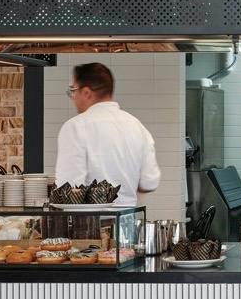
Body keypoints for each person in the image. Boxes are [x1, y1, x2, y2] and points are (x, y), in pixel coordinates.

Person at [53, 62, 160, 209]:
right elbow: (149, 182)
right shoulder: (137, 126)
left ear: (86, 93)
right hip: (127, 224)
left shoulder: (75, 127)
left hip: (89, 227)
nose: (73, 97)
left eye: (73, 90)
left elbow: (69, 188)